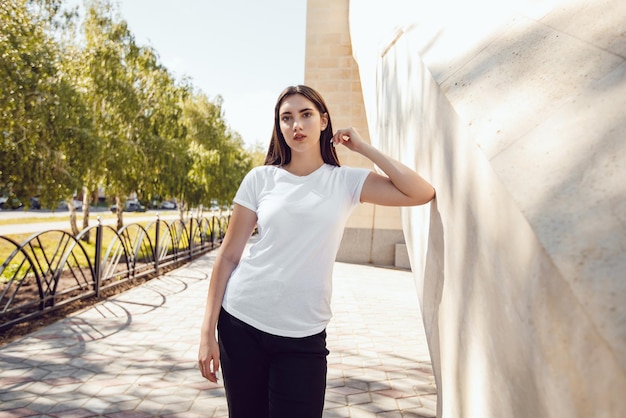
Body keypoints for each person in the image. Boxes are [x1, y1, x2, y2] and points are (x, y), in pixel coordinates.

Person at [198, 85, 435, 417]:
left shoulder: (345, 182)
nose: (297, 125)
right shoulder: (260, 179)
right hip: (242, 322)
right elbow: (228, 256)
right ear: (279, 127)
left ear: (324, 121)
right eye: (287, 118)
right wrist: (207, 332)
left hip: (304, 334)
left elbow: (420, 192)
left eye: (306, 115)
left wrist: (365, 148)